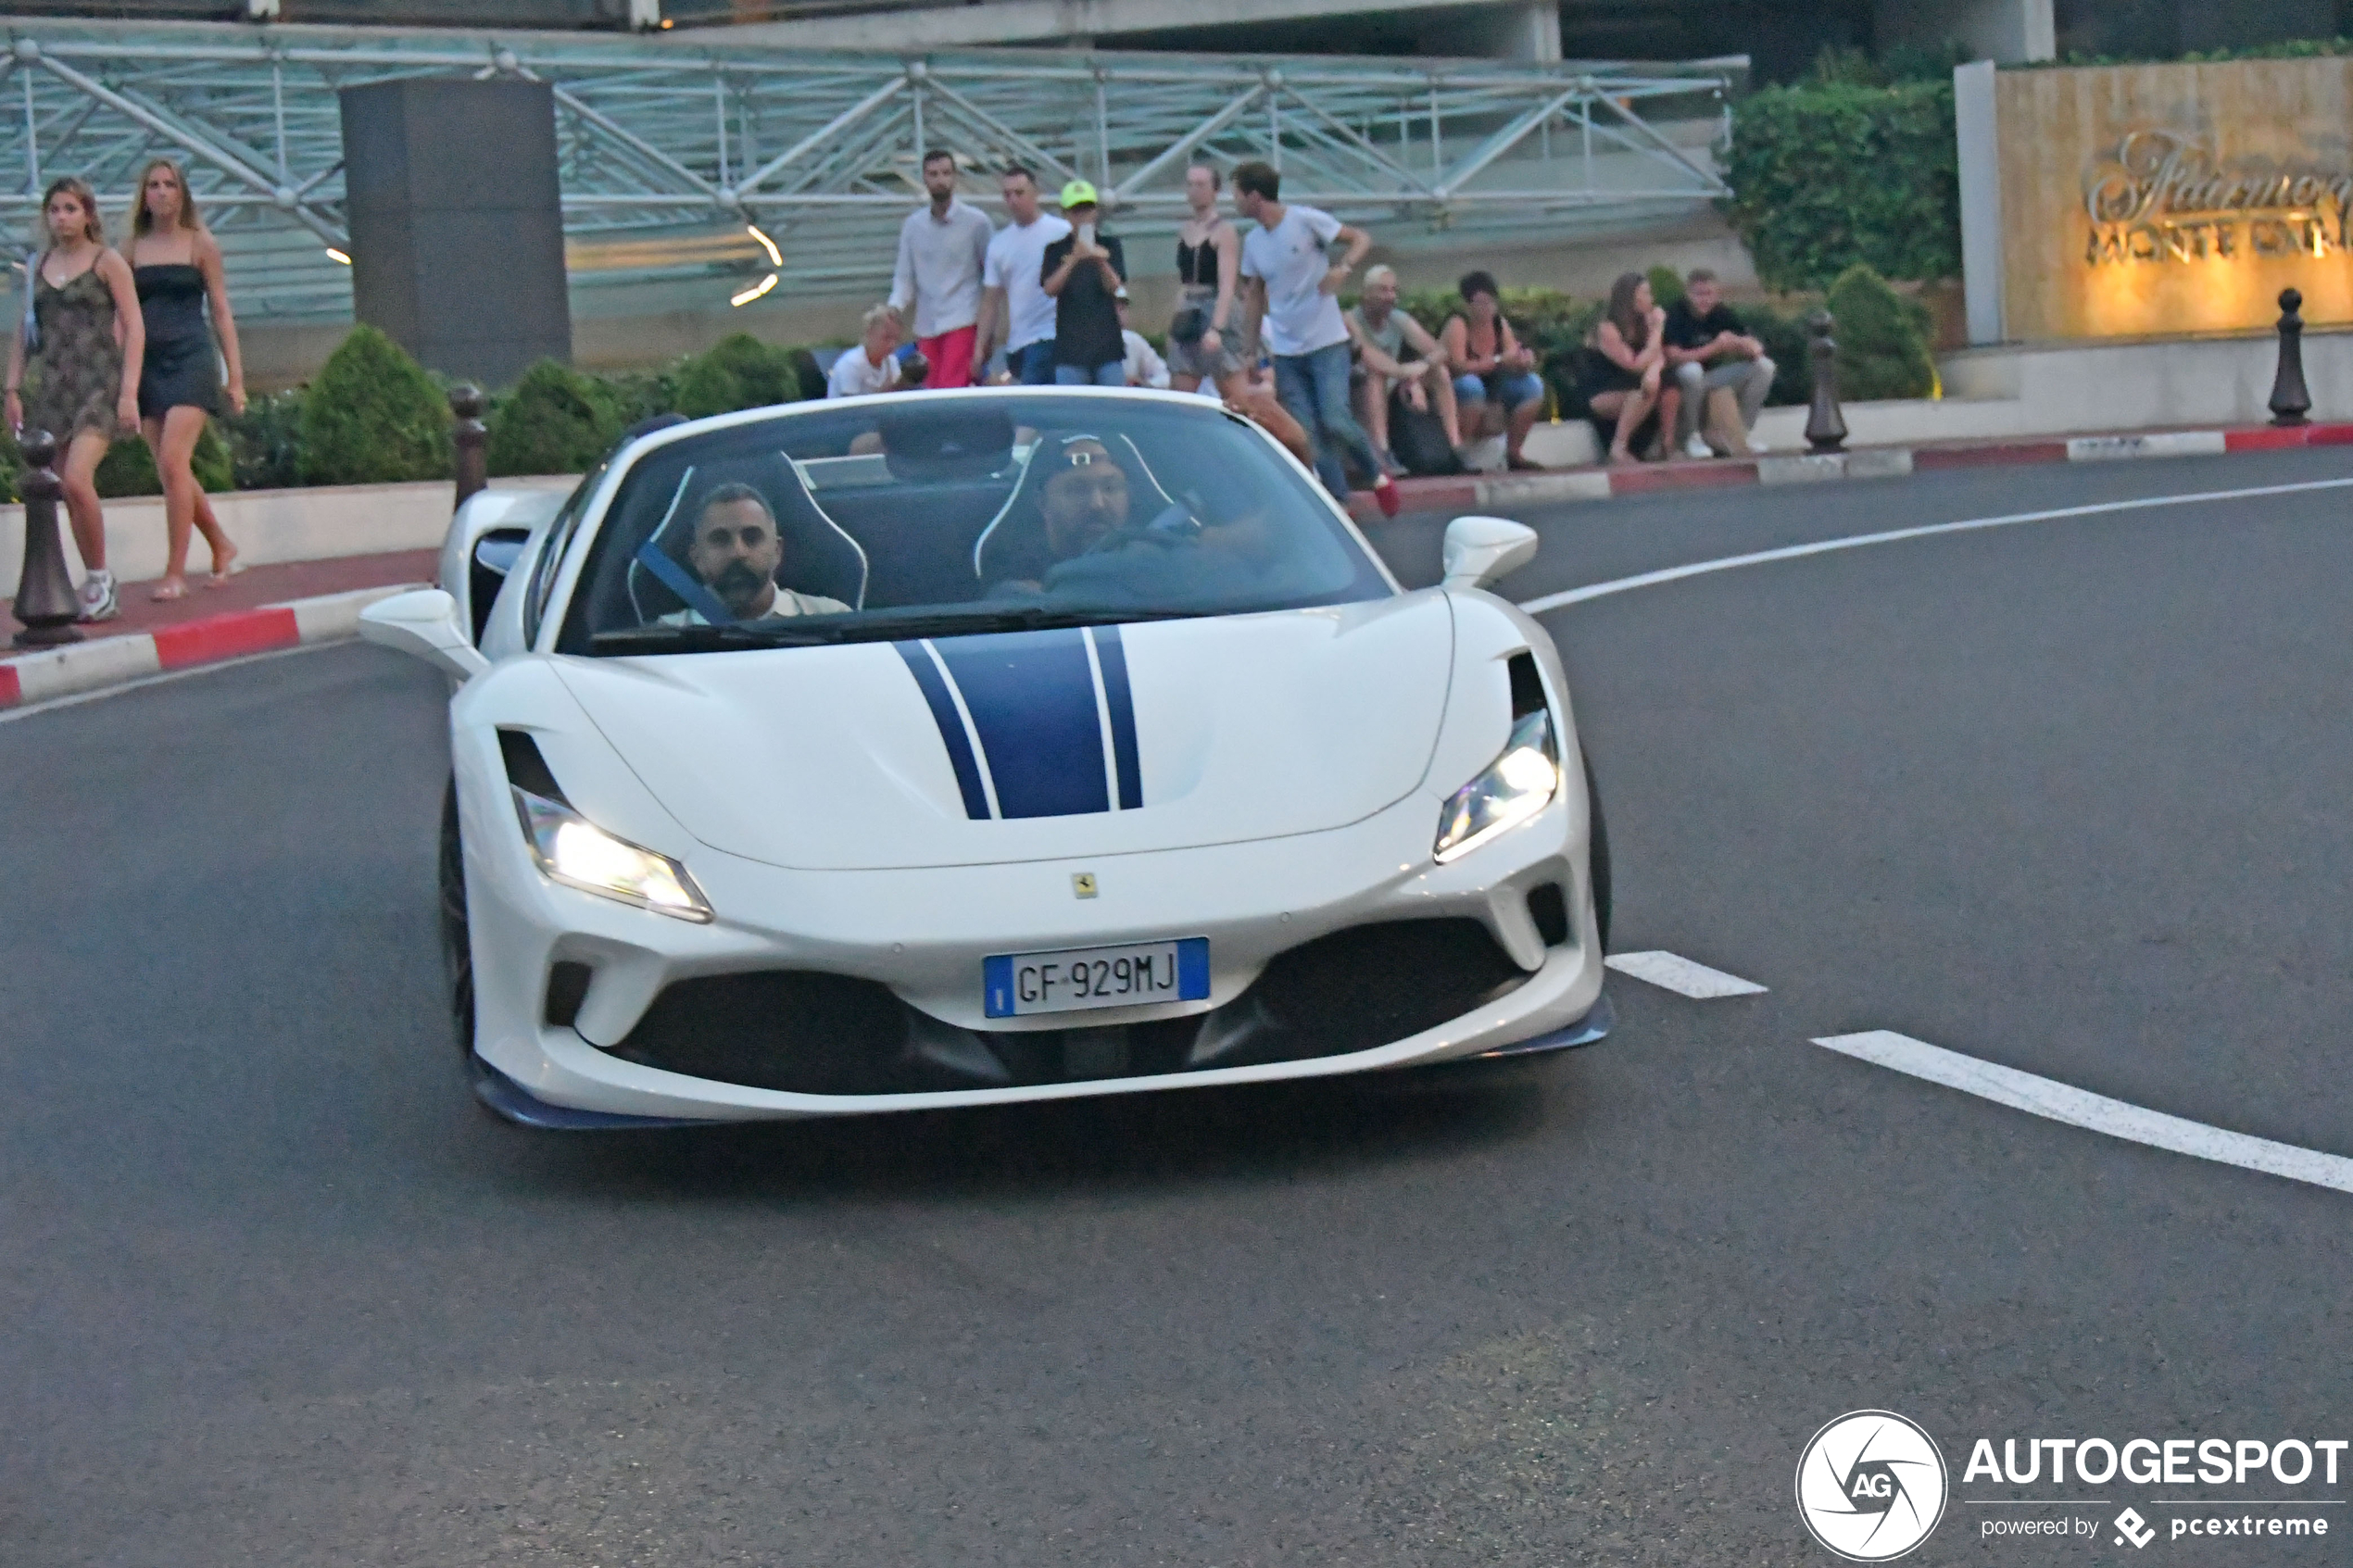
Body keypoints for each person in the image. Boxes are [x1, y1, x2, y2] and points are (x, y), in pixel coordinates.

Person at [5, 176, 144, 622]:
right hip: (53, 390)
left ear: (88, 214)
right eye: (55, 210)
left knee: (79, 479)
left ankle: (101, 578)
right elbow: (23, 334)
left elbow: (135, 327)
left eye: (70, 209)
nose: (62, 218)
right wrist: (12, 387)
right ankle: (90, 576)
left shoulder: (108, 262)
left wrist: (129, 392)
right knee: (63, 486)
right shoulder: (37, 267)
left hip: (98, 386)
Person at [1230, 160, 1398, 517]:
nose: (1234, 201)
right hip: (1288, 349)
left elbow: (1360, 238)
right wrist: (1249, 349)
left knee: (1335, 418)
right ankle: (1338, 500)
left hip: (1327, 342)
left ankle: (1376, 475)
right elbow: (1255, 294)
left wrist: (1342, 268)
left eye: (1237, 193)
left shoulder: (1304, 220)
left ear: (1255, 196)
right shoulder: (1254, 242)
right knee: (1307, 431)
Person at [123, 157, 244, 602]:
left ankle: (175, 571)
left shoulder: (201, 244)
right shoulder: (132, 247)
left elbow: (222, 311)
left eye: (169, 184)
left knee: (174, 461)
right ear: (144, 195)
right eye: (153, 184)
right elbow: (121, 311)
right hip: (148, 361)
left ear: (182, 192)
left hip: (192, 356)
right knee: (169, 469)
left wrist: (236, 377)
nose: (161, 192)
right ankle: (221, 543)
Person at [1164, 163, 1314, 468]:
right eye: (1190, 185)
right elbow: (1184, 282)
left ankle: (1261, 457)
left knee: (1237, 396)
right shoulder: (1185, 231)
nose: (1194, 191)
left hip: (1216, 307)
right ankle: (1189, 462)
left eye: (1201, 184)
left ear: (1214, 190)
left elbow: (1228, 282)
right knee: (1181, 394)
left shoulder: (1224, 230)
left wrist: (1217, 327)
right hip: (1190, 307)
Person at [653, 483, 850, 625]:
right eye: (720, 540)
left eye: (752, 537)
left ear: (777, 551)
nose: (738, 552)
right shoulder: (665, 636)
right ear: (697, 559)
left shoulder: (833, 619)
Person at [887, 148, 992, 389]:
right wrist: (895, 307)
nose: (940, 180)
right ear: (924, 178)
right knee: (932, 388)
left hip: (963, 319)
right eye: (933, 174)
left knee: (951, 386)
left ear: (955, 177)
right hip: (927, 324)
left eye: (945, 173)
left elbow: (990, 278)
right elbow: (904, 277)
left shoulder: (976, 222)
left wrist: (987, 331)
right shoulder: (913, 226)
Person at [1345, 264, 1457, 474]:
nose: (1390, 296)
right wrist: (1407, 375)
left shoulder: (1398, 319)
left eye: (1393, 290)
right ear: (1366, 294)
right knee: (1375, 376)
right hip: (1357, 390)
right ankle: (1383, 452)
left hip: (1394, 383)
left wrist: (1420, 369)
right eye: (1383, 290)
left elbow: (1440, 351)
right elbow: (1369, 357)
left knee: (1440, 373)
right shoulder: (1351, 319)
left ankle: (1454, 447)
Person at [1441, 271, 1546, 472]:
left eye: (1490, 303)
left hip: (1494, 384)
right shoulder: (1458, 324)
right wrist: (1493, 361)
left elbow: (1510, 356)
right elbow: (1458, 365)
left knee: (1532, 385)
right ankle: (1457, 452)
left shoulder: (1499, 324)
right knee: (1471, 386)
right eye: (1480, 303)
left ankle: (1514, 453)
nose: (1486, 309)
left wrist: (1522, 362)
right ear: (1467, 305)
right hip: (1458, 387)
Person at [975, 165, 1069, 387]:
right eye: (1007, 195)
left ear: (1035, 193)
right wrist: (980, 347)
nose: (1013, 201)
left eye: (1019, 193)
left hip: (1053, 334)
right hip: (1019, 342)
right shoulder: (999, 244)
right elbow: (991, 301)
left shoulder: (1061, 231)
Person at [1664, 268, 1774, 458]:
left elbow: (1754, 346)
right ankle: (1693, 437)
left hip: (1710, 377)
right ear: (1688, 294)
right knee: (1692, 371)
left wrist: (1741, 343)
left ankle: (1742, 433)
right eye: (1698, 294)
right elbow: (1673, 356)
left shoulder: (1721, 313)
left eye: (1709, 294)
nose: (1704, 300)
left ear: (1717, 295)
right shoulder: (1676, 314)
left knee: (1765, 367)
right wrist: (1715, 347)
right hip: (1679, 380)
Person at [1584, 271, 1678, 466]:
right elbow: (1634, 365)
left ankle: (1667, 444)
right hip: (1605, 390)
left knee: (1670, 385)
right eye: (1646, 293)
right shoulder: (1607, 329)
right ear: (1631, 297)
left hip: (1638, 387)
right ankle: (1618, 447)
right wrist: (1658, 329)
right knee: (1645, 391)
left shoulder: (1645, 324)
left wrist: (1653, 371)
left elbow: (1659, 356)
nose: (1651, 299)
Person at [1039, 181, 1127, 387]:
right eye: (1076, 210)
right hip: (1070, 351)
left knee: (1114, 410)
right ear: (1066, 214)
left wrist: (1100, 261)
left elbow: (1117, 288)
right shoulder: (1055, 250)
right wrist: (1074, 259)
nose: (1082, 216)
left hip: (1108, 348)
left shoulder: (1110, 245)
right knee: (1073, 413)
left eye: (1087, 209)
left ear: (1095, 211)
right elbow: (1049, 289)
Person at [825, 304, 927, 398]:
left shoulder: (891, 362)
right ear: (870, 333)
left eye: (896, 339)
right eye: (886, 338)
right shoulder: (851, 364)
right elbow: (851, 408)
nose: (892, 344)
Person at [1115, 290, 1169, 389]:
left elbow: (1164, 376)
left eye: (1122, 308)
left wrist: (1143, 385)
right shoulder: (1082, 342)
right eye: (1112, 307)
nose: (1118, 313)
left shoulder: (1132, 340)